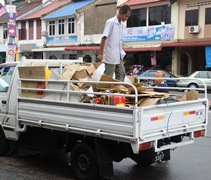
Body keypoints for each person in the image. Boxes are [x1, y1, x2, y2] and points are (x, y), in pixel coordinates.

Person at [97, 5, 132, 81]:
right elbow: (103, 38)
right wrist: (101, 53)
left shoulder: (121, 25)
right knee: (108, 75)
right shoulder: (111, 22)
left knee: (121, 73)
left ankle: (118, 90)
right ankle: (102, 90)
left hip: (118, 54)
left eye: (128, 17)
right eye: (126, 16)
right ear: (121, 12)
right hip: (110, 54)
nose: (126, 19)